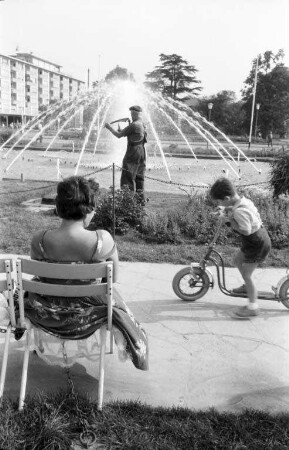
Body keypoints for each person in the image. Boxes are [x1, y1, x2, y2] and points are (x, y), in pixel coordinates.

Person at [19, 176, 148, 370]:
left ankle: (39, 345)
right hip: (90, 315)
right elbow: (113, 280)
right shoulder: (102, 240)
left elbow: (39, 275)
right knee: (114, 299)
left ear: (58, 207)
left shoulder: (40, 240)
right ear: (89, 209)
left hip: (45, 311)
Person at [209, 177, 271, 319]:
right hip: (255, 240)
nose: (219, 203)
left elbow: (246, 230)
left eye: (219, 201)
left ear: (226, 197)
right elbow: (238, 207)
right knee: (237, 260)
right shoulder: (242, 201)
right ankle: (246, 287)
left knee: (247, 275)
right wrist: (226, 208)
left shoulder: (239, 212)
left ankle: (253, 307)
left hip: (257, 244)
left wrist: (229, 221)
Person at [104, 105, 147, 197]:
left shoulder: (134, 125)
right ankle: (140, 200)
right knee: (139, 177)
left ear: (135, 114)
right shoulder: (142, 124)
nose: (131, 116)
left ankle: (127, 200)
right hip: (141, 151)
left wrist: (109, 127)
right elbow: (135, 135)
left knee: (127, 176)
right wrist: (124, 130)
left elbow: (118, 135)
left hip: (133, 152)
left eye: (132, 114)